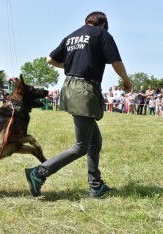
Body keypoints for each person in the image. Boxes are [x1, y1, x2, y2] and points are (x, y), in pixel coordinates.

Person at [24, 11, 131, 198]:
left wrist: (72, 65)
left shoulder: (72, 35)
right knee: (81, 146)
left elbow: (50, 59)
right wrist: (126, 81)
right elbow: (115, 61)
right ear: (104, 24)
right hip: (84, 88)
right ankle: (39, 172)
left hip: (70, 86)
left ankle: (96, 185)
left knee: (94, 141)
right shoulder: (102, 34)